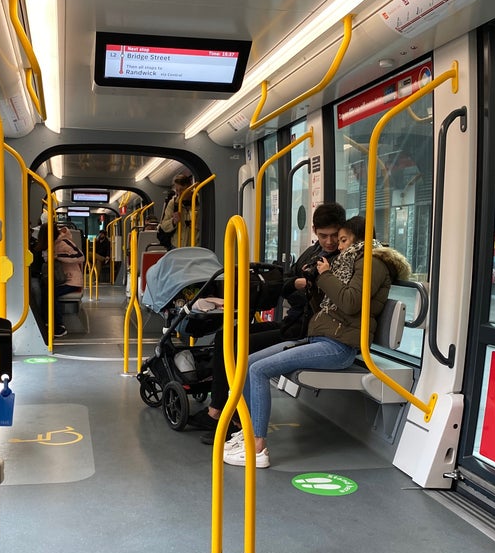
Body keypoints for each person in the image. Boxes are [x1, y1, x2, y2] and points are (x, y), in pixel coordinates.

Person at [222, 215, 411, 468]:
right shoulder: (351, 263)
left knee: (258, 370)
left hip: (339, 347)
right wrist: (314, 282)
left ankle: (257, 447)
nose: (339, 246)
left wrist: (325, 276)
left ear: (358, 240)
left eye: (343, 240)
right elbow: (331, 304)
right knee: (248, 362)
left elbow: (350, 303)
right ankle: (246, 431)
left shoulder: (372, 263)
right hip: (323, 338)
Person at [189, 201, 347, 442]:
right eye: (324, 236)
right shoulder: (312, 252)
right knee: (226, 336)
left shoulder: (342, 260)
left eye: (334, 235)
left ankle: (233, 419)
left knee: (239, 348)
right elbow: (287, 283)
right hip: (292, 322)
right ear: (315, 231)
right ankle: (217, 409)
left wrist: (309, 286)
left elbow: (330, 299)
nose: (330, 241)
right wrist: (297, 284)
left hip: (306, 330)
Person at [37, 224, 84, 336]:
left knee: (50, 293)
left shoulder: (64, 242)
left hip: (72, 281)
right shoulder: (53, 243)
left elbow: (80, 256)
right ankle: (46, 322)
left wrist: (58, 256)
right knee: (45, 291)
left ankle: (59, 326)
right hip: (62, 279)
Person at [157, 174, 197, 248]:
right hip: (177, 245)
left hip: (195, 246)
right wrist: (173, 221)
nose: (179, 193)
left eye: (182, 189)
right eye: (177, 190)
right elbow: (164, 226)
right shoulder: (173, 203)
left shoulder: (200, 202)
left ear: (190, 187)